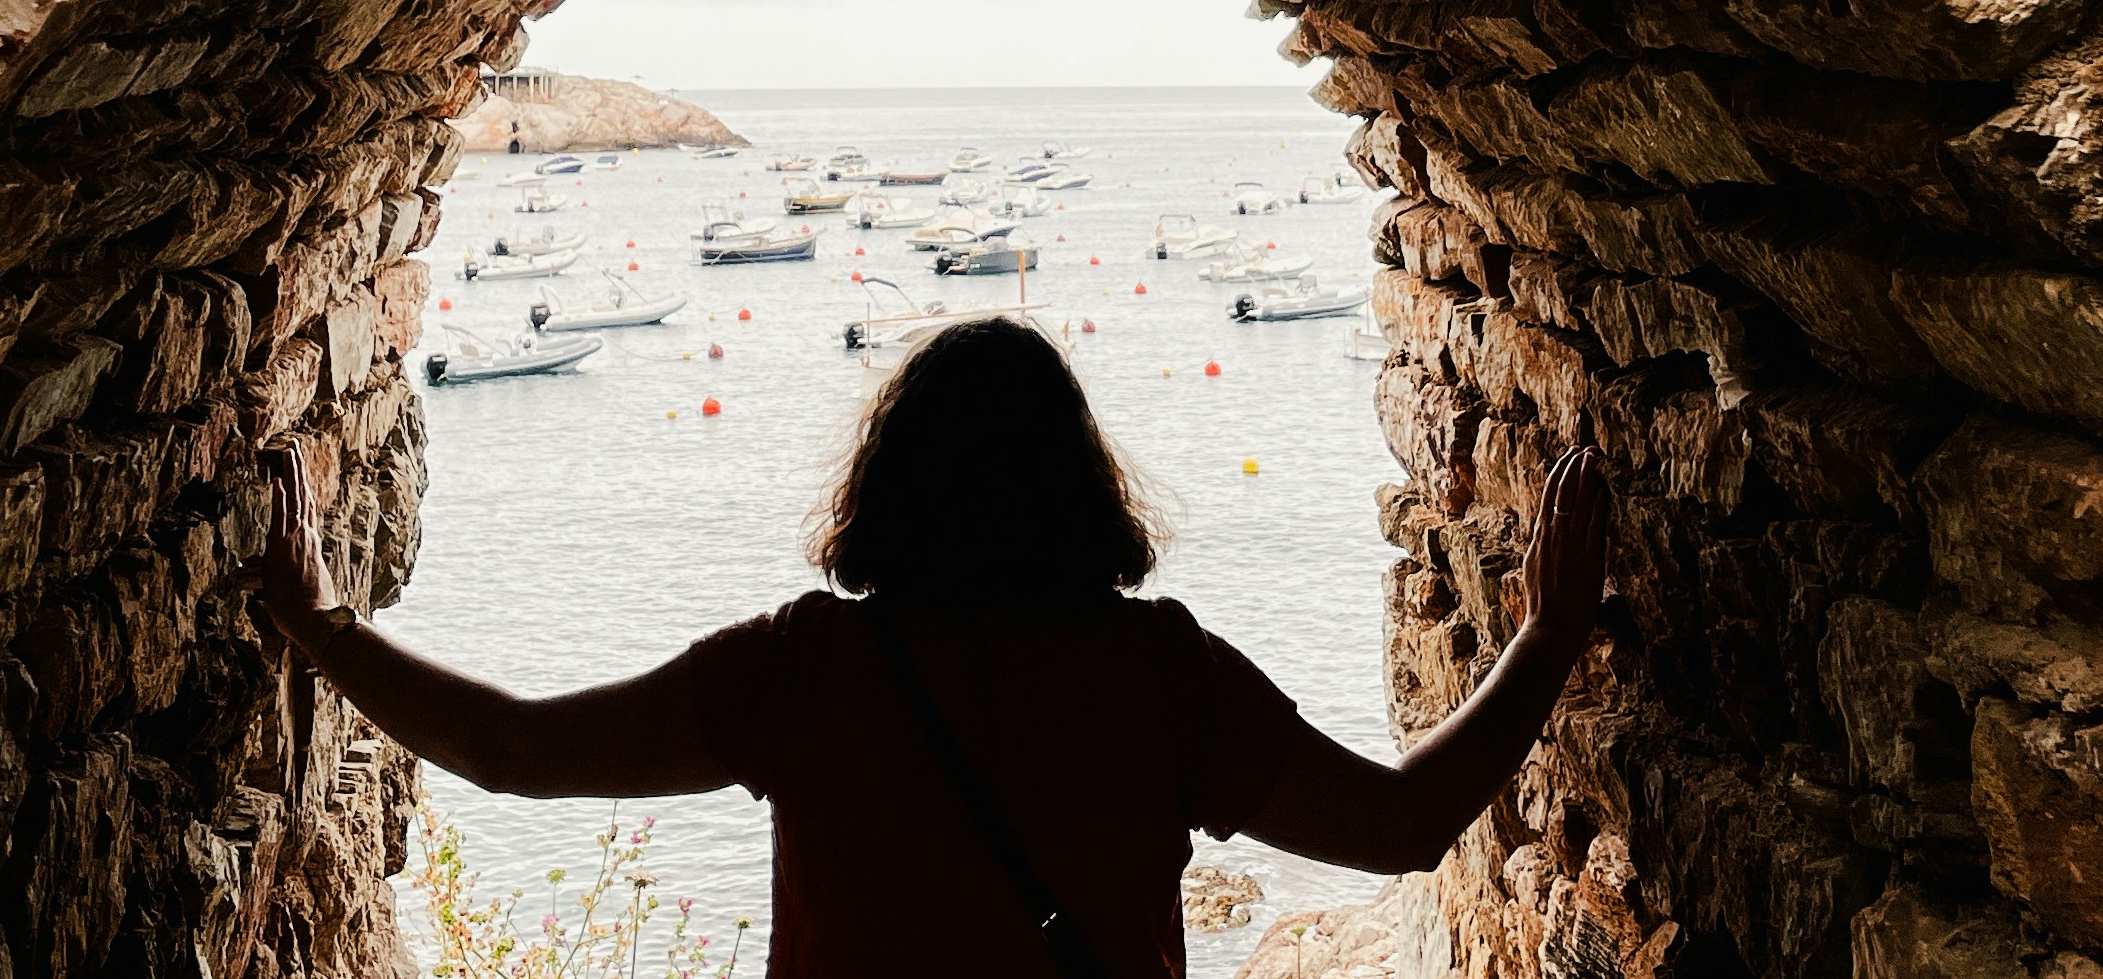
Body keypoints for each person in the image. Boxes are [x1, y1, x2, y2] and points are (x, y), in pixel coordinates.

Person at [260, 313, 1611, 976]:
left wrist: (319, 624)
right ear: (1083, 485)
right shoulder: (1159, 675)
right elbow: (1402, 824)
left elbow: (515, 750)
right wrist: (1546, 635)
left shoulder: (801, 671)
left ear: (887, 484)